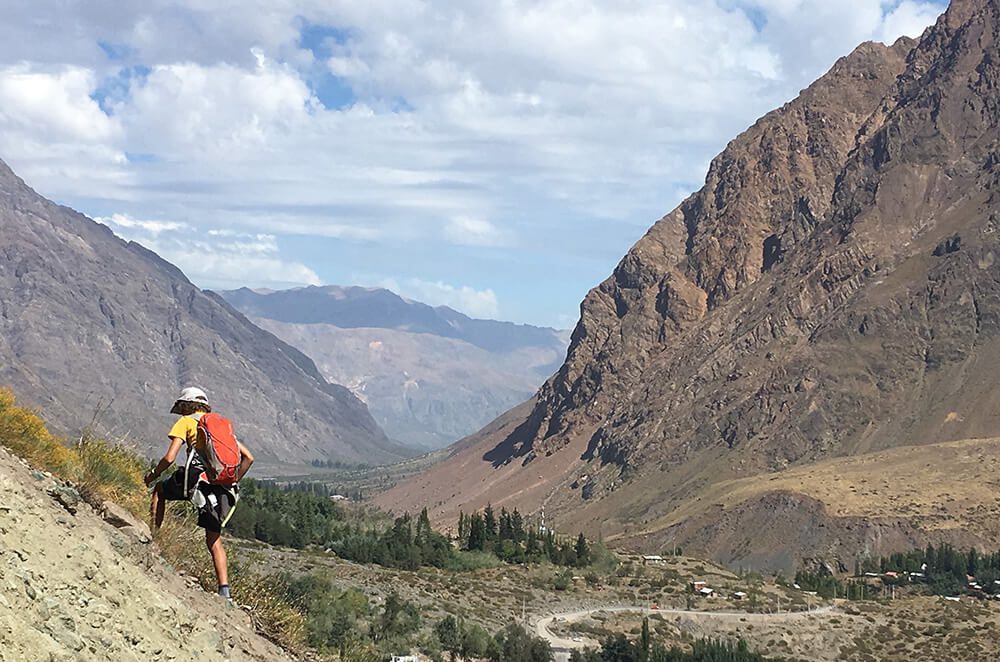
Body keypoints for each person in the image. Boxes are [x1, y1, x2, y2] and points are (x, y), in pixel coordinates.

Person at [144, 386, 254, 602]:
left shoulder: (186, 422)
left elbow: (169, 458)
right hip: (221, 486)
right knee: (214, 540)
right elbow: (248, 457)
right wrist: (231, 480)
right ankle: (224, 592)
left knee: (159, 491)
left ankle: (153, 540)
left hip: (195, 480)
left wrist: (153, 474)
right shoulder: (219, 427)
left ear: (185, 405)